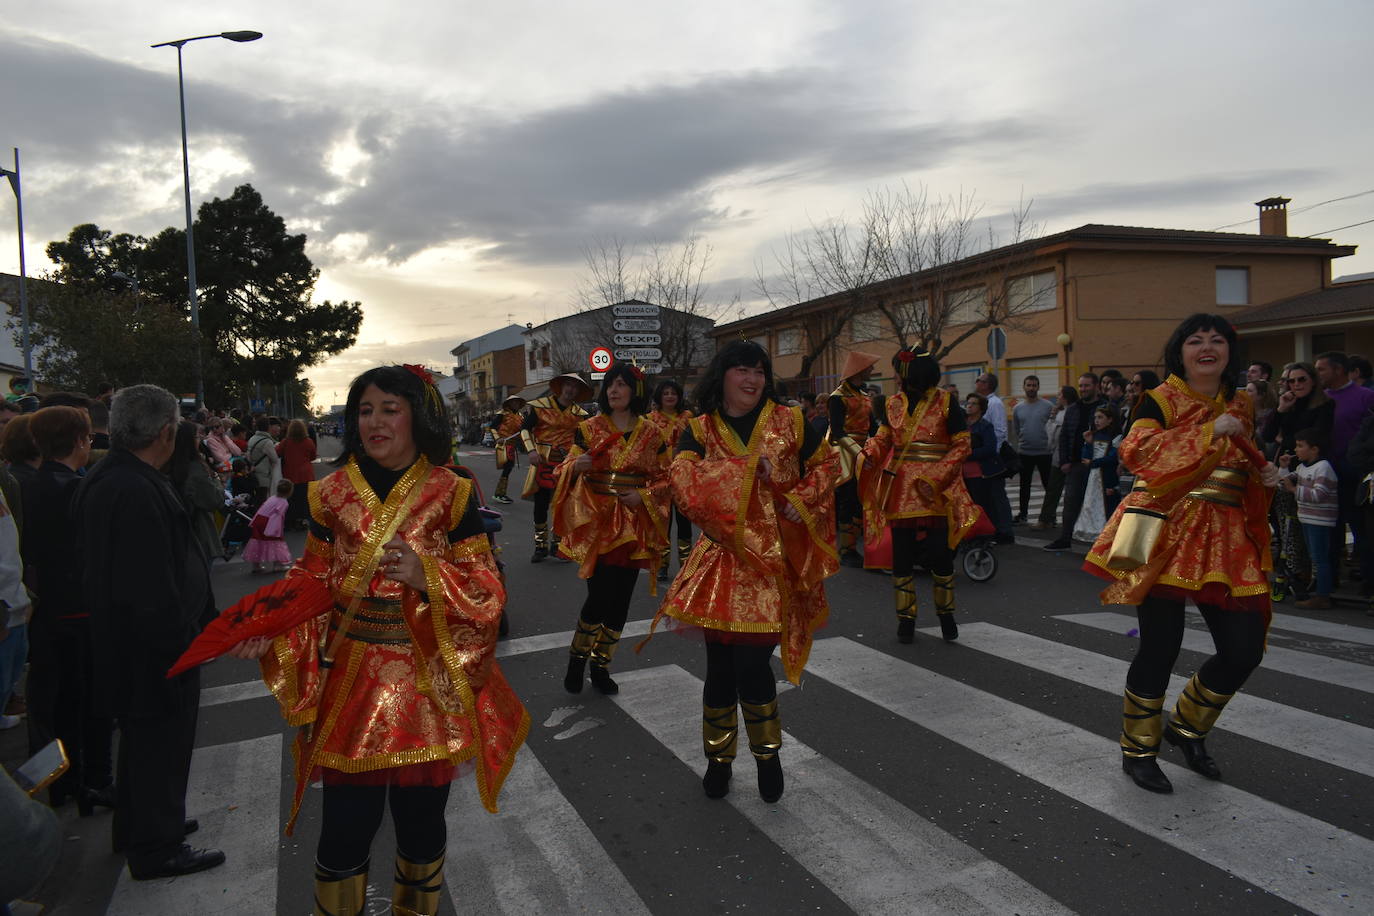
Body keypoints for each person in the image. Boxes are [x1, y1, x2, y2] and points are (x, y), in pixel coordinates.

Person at [229, 365, 528, 914]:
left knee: (421, 825)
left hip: (424, 683)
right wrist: (266, 622)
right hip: (351, 682)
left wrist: (428, 577)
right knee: (344, 828)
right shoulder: (331, 492)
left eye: (390, 408)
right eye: (365, 410)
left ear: (417, 415)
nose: (375, 421)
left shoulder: (452, 492)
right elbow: (311, 577)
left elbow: (488, 587)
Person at [1084, 314, 1279, 794]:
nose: (1207, 347)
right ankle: (1139, 749)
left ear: (1230, 351)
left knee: (1244, 649)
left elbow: (1240, 465)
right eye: (1196, 340)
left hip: (1228, 538)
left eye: (1217, 340)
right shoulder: (1160, 398)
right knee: (1160, 646)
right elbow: (1138, 450)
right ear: (1181, 350)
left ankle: (1187, 726)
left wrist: (1264, 479)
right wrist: (1211, 431)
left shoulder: (1241, 402)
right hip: (1169, 531)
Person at [651, 340, 838, 803]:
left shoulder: (790, 421)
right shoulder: (700, 429)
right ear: (724, 375)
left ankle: (768, 755)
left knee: (753, 666)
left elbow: (829, 466)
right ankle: (718, 759)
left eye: (759, 371)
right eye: (742, 370)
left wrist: (801, 500)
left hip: (772, 568)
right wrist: (747, 468)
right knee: (719, 671)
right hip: (721, 563)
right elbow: (683, 484)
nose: (752, 379)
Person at [73, 384, 225, 878]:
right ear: (165, 431)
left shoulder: (119, 477)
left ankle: (142, 827)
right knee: (161, 744)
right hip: (155, 650)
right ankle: (158, 846)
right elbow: (150, 587)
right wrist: (183, 644)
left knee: (144, 746)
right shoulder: (133, 487)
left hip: (137, 646)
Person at [553, 364, 669, 695]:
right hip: (598, 524)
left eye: (621, 384)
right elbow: (565, 467)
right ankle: (577, 660)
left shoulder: (653, 433)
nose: (614, 390)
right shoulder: (588, 428)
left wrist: (644, 495)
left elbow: (667, 477)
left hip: (634, 526)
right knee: (599, 597)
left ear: (636, 391)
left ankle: (601, 665)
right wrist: (577, 465)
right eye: (610, 385)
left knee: (620, 601)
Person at [24, 406, 115, 815]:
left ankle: (63, 784)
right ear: (81, 440)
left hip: (48, 608)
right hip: (79, 606)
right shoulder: (75, 488)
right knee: (91, 701)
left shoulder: (29, 483)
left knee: (57, 701)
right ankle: (94, 782)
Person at [860, 347, 980, 644]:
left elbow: (962, 446)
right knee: (901, 556)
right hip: (901, 489)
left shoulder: (947, 402)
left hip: (934, 488)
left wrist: (937, 476)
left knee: (940, 555)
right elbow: (884, 438)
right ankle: (906, 619)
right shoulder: (891, 404)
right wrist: (866, 454)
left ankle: (946, 614)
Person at [1263, 363, 1332, 602]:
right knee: (1286, 529)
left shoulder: (1324, 405)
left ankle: (1316, 581)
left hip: (1311, 471)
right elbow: (1268, 435)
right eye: (1291, 381)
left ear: (1313, 381)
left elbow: (1315, 437)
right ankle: (1294, 573)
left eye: (1301, 380)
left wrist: (1288, 438)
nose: (1296, 385)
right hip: (1286, 470)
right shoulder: (1290, 405)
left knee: (1311, 534)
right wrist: (1281, 409)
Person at [521, 373, 592, 562]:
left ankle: (558, 544)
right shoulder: (539, 407)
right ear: (561, 387)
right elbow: (524, 429)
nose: (570, 390)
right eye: (568, 385)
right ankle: (540, 545)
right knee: (541, 504)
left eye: (575, 387)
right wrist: (531, 451)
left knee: (563, 504)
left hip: (568, 464)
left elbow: (585, 439)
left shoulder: (581, 414)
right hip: (543, 462)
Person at [829, 350, 881, 567]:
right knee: (848, 499)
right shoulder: (837, 397)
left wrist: (883, 443)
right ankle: (846, 549)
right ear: (859, 370)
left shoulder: (864, 395)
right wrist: (859, 453)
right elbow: (838, 432)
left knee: (862, 498)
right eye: (869, 367)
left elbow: (874, 427)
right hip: (844, 452)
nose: (872, 370)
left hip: (863, 451)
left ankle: (857, 547)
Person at [1279, 430, 1338, 609]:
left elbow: (1319, 494)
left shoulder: (1323, 468)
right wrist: (1283, 468)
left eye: (1300, 446)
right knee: (1314, 557)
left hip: (1319, 520)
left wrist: (1293, 490)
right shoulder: (1302, 467)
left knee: (1320, 558)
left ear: (1314, 449)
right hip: (1306, 517)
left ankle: (1323, 595)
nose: (1297, 450)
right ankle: (1318, 590)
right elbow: (1284, 482)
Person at [1043, 373, 1101, 550]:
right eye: (1081, 386)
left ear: (1096, 386)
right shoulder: (1073, 408)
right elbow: (1065, 436)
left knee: (1096, 504)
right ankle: (1065, 538)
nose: (1083, 389)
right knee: (1070, 502)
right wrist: (1064, 461)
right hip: (1075, 463)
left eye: (1087, 385)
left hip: (1098, 463)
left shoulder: (1104, 406)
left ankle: (1100, 543)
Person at [647, 380, 695, 578]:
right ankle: (662, 565)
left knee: (684, 523)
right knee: (662, 523)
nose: (669, 396)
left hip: (683, 477)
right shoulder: (650, 419)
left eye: (673, 393)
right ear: (659, 396)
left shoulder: (689, 418)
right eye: (665, 393)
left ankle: (685, 565)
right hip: (660, 478)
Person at [169, 420, 228, 566]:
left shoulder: (166, 465)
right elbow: (214, 499)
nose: (200, 440)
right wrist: (216, 480)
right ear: (188, 441)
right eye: (196, 437)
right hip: (199, 531)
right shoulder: (195, 469)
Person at [1072, 404, 1122, 542]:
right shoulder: (1093, 435)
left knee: (1108, 503)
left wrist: (1094, 463)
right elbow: (1086, 456)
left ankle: (1108, 532)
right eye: (1095, 418)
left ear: (1110, 419)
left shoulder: (1115, 436)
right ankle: (1090, 530)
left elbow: (1113, 458)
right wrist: (1088, 443)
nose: (1097, 421)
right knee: (1090, 503)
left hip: (1107, 475)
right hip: (1093, 477)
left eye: (1100, 417)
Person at [1034, 385, 1077, 530]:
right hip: (1060, 455)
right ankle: (1048, 518)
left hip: (1062, 455)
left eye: (1059, 394)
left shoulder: (1066, 413)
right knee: (1055, 489)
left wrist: (1052, 419)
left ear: (1065, 397)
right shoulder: (1062, 412)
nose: (1057, 397)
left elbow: (1052, 435)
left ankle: (1046, 519)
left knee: (1055, 490)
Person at [1012, 375, 1053, 524]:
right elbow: (1017, 429)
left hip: (1045, 453)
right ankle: (1023, 514)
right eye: (1028, 385)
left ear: (1038, 387)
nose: (1031, 388)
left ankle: (1050, 516)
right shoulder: (1017, 408)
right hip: (1025, 452)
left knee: (1049, 485)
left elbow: (1052, 427)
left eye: (1034, 385)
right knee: (1024, 485)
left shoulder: (1048, 406)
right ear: (1024, 387)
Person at [243, 479, 295, 574]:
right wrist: (277, 530)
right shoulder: (283, 502)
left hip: (258, 520)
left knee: (258, 541)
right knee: (275, 542)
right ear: (290, 492)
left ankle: (256, 565)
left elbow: (262, 509)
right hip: (269, 523)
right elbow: (278, 516)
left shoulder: (272, 498)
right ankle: (278, 564)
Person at [276, 419, 318, 528]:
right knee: (304, 499)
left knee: (291, 499)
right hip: (306, 474)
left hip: (290, 474)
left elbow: (277, 452)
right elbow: (313, 456)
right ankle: (303, 520)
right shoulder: (308, 441)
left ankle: (291, 521)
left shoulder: (286, 442)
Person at [489, 396, 526, 504]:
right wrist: (498, 438)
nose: (516, 404)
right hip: (504, 444)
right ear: (509, 404)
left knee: (508, 469)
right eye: (513, 402)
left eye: (517, 402)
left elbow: (523, 429)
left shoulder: (520, 416)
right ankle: (499, 494)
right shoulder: (503, 414)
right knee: (507, 468)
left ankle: (500, 493)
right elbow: (492, 427)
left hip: (512, 445)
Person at [246, 416, 280, 504]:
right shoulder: (267, 442)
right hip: (263, 475)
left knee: (257, 499)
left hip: (253, 473)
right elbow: (275, 459)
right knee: (262, 500)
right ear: (268, 427)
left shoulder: (252, 438)